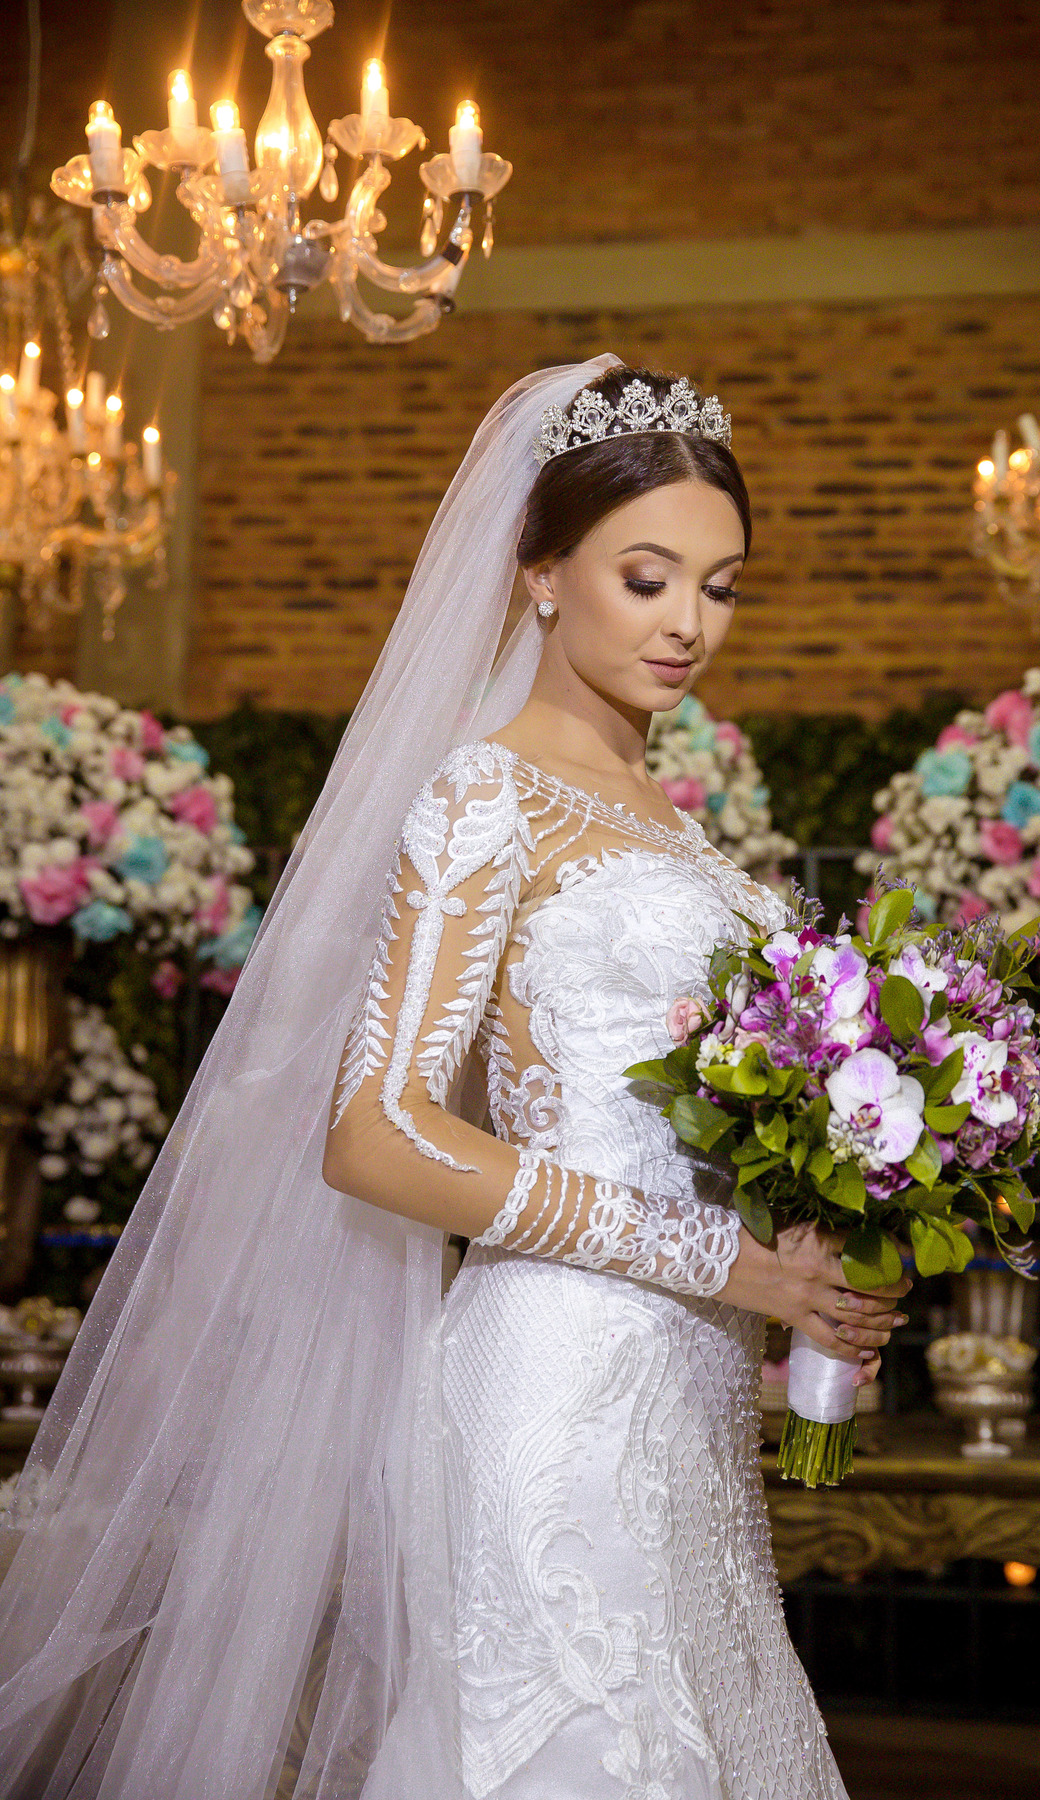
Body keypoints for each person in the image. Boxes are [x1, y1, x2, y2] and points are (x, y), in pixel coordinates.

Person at [0, 358, 907, 1799]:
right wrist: (721, 1260)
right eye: (649, 576)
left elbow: (684, 1124)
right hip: (551, 1381)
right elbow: (375, 1137)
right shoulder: (485, 792)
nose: (688, 624)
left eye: (720, 588)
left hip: (686, 1399)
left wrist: (810, 1238)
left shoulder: (675, 828)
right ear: (542, 575)